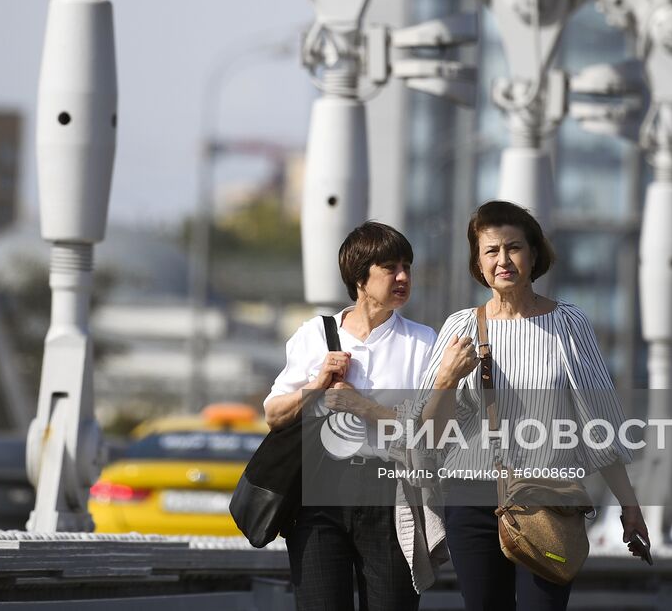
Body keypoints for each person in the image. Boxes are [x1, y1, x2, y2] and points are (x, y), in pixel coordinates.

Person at [422, 200, 647, 611]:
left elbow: (600, 423)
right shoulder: (460, 327)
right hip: (471, 499)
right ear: (478, 261)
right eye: (491, 251)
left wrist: (629, 505)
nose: (503, 260)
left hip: (550, 497)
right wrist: (446, 380)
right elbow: (429, 433)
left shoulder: (568, 323)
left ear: (534, 254)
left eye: (514, 247)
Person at [264, 221, 437, 611]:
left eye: (407, 265)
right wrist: (317, 385)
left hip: (391, 492)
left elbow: (432, 432)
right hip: (319, 491)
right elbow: (273, 415)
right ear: (360, 276)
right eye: (390, 267)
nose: (403, 276)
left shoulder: (425, 342)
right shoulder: (314, 335)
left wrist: (362, 406)